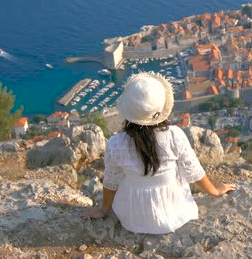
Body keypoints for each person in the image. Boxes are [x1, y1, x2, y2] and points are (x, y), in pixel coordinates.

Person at [82, 72, 236, 234]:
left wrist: (104, 210)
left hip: (133, 218)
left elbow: (111, 180)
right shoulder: (174, 135)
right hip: (175, 212)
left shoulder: (116, 143)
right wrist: (215, 191)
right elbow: (194, 172)